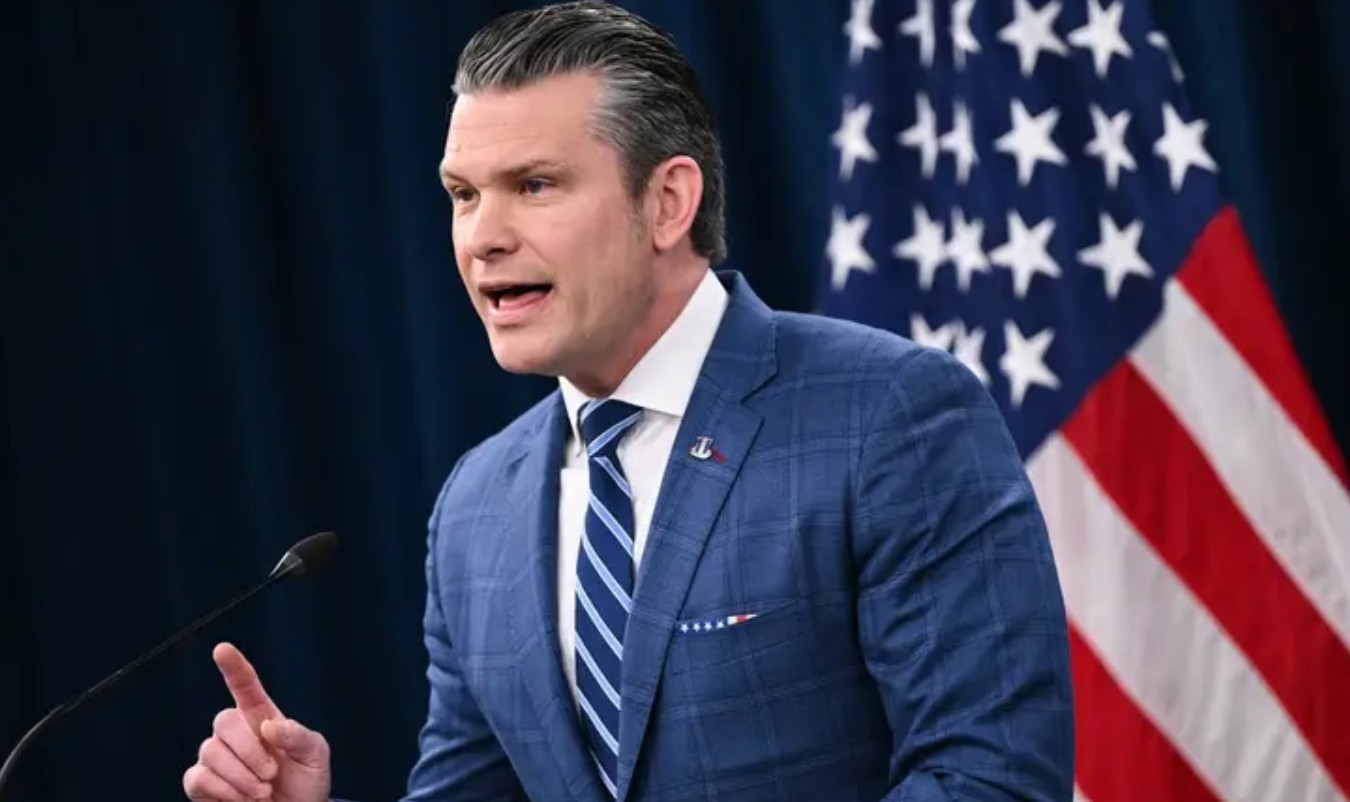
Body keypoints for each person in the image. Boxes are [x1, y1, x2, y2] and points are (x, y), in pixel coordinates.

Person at [182, 2, 1075, 800]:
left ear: (668, 202)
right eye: (463, 195)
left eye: (534, 185)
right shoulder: (475, 507)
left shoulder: (888, 415)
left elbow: (990, 777)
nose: (483, 237)